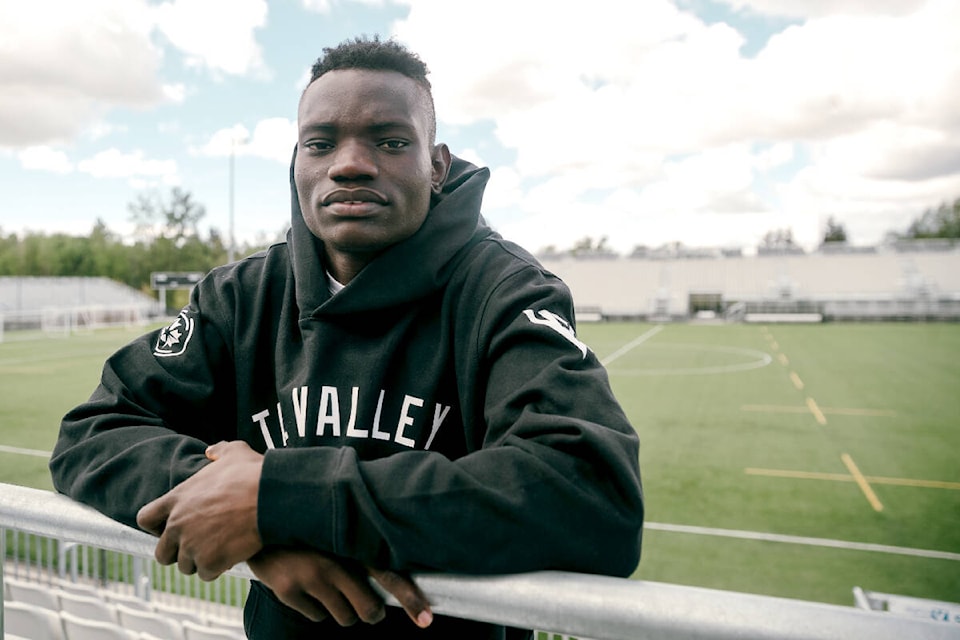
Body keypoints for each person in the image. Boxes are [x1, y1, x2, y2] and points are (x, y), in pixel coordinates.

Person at [50, 36, 644, 639]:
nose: (351, 163)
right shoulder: (241, 296)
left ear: (436, 166)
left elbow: (592, 493)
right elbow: (91, 433)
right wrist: (249, 522)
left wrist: (281, 501)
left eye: (389, 141)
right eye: (321, 143)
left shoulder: (503, 291)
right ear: (298, 163)